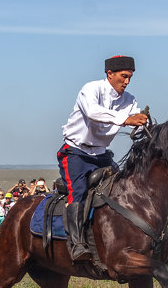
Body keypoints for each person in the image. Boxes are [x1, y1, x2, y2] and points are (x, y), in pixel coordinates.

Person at [56, 55, 147, 260]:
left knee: (124, 186)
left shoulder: (130, 100)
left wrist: (145, 126)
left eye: (130, 77)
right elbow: (92, 112)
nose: (127, 81)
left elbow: (136, 123)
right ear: (110, 74)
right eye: (124, 76)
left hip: (101, 154)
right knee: (77, 191)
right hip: (75, 152)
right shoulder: (90, 89)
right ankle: (77, 244)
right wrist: (126, 119)